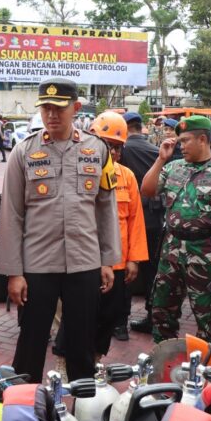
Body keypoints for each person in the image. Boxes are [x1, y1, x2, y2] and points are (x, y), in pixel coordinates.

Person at [0, 78, 121, 383]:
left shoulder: (98, 150)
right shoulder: (23, 152)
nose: (51, 115)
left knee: (82, 340)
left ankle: (83, 411)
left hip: (85, 261)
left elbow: (106, 207)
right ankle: (24, 410)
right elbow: (11, 214)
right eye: (45, 108)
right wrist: (14, 272)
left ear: (76, 108)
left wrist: (108, 260)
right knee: (32, 341)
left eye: (59, 108)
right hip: (38, 263)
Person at [140, 115, 211, 345]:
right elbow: (147, 190)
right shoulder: (174, 167)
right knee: (162, 312)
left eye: (185, 141)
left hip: (205, 253)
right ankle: (164, 364)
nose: (181, 146)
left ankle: (208, 372)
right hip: (171, 250)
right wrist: (160, 160)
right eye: (180, 141)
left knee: (209, 317)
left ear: (203, 139)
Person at [54, 112, 147, 356]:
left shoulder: (126, 177)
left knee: (108, 318)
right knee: (76, 318)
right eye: (108, 145)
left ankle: (94, 363)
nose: (114, 153)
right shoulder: (75, 173)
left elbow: (136, 219)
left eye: (118, 148)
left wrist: (134, 259)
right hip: (84, 262)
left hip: (117, 263)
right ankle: (68, 366)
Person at [118, 112, 163, 340]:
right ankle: (152, 316)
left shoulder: (123, 149)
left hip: (130, 216)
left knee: (127, 271)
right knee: (152, 271)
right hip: (155, 217)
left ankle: (120, 324)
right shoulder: (156, 151)